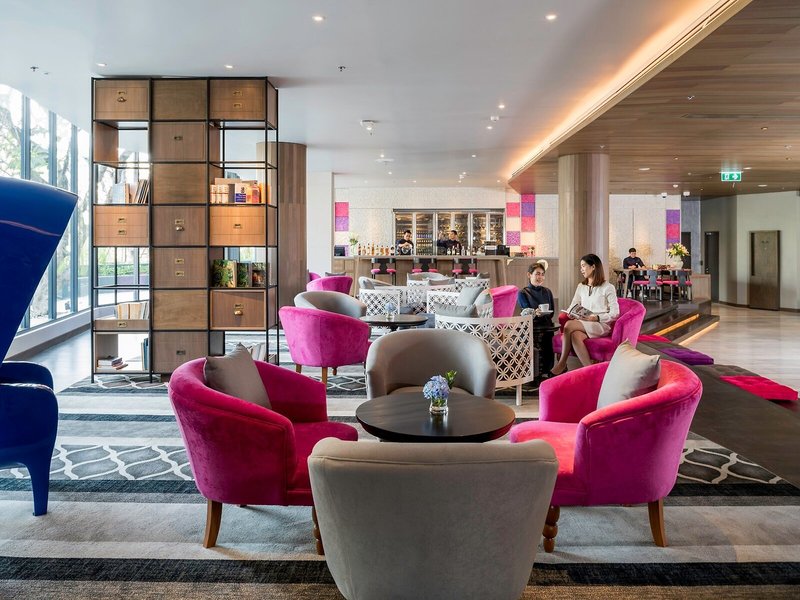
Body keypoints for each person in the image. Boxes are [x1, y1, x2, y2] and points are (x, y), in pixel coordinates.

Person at [550, 253, 619, 375]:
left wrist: (596, 317)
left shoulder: (608, 287)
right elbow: (573, 304)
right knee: (575, 335)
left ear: (593, 267)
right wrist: (571, 312)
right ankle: (590, 371)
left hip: (600, 324)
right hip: (584, 322)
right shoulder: (581, 286)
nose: (581, 269)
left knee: (568, 325)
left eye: (583, 266)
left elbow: (615, 313)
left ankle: (562, 363)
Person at [518, 260, 556, 377]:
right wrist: (535, 313)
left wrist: (544, 314)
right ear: (529, 275)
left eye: (542, 274)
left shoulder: (547, 291)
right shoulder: (523, 292)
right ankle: (533, 373)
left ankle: (548, 370)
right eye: (537, 274)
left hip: (546, 324)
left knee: (548, 343)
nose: (540, 277)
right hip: (532, 326)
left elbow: (551, 311)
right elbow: (525, 311)